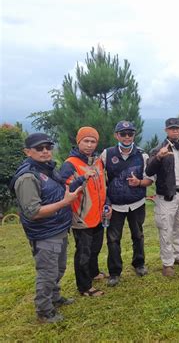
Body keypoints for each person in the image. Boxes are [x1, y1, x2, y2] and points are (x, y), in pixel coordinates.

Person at [10, 133, 80, 323]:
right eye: (39, 148)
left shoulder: (47, 169)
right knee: (47, 272)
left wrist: (79, 182)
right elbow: (33, 212)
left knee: (58, 268)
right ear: (27, 152)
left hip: (57, 229)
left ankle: (55, 297)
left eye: (48, 147)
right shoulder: (27, 177)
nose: (45, 151)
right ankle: (44, 311)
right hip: (44, 234)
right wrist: (64, 203)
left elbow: (56, 192)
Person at [101, 121, 153, 287]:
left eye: (130, 133)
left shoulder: (142, 155)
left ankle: (139, 264)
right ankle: (115, 272)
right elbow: (102, 182)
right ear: (116, 135)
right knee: (113, 239)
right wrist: (106, 203)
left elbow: (149, 180)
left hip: (136, 203)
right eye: (123, 134)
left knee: (138, 235)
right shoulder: (107, 154)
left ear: (134, 135)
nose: (127, 137)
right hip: (115, 205)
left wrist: (139, 182)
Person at [59, 127, 110, 296]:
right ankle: (84, 287)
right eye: (86, 141)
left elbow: (103, 186)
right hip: (81, 217)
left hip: (98, 215)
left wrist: (107, 204)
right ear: (78, 141)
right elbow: (64, 190)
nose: (89, 145)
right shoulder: (70, 164)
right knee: (83, 253)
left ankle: (94, 273)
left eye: (93, 141)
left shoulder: (97, 161)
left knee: (95, 248)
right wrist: (83, 178)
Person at [145, 118, 179, 277]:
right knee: (166, 229)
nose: (175, 131)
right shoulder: (158, 149)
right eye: (171, 129)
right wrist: (159, 156)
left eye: (177, 128)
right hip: (166, 196)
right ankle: (167, 263)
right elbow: (149, 171)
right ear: (166, 130)